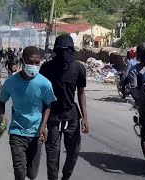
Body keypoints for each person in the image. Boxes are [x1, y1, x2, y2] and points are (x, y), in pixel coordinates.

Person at [0, 46, 57, 180]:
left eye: (37, 62)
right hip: (17, 132)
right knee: (20, 173)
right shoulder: (11, 82)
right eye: (30, 62)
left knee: (32, 174)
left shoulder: (45, 84)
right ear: (23, 61)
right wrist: (2, 118)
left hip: (36, 134)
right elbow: (1, 103)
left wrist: (43, 126)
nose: (34, 65)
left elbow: (48, 105)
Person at [39, 34, 89, 180]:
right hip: (52, 116)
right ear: (56, 51)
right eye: (61, 50)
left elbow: (81, 92)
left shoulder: (79, 68)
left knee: (73, 152)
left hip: (72, 115)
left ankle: (66, 176)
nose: (64, 54)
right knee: (52, 155)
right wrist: (41, 121)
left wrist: (85, 117)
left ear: (72, 50)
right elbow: (41, 95)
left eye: (67, 50)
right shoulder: (46, 68)